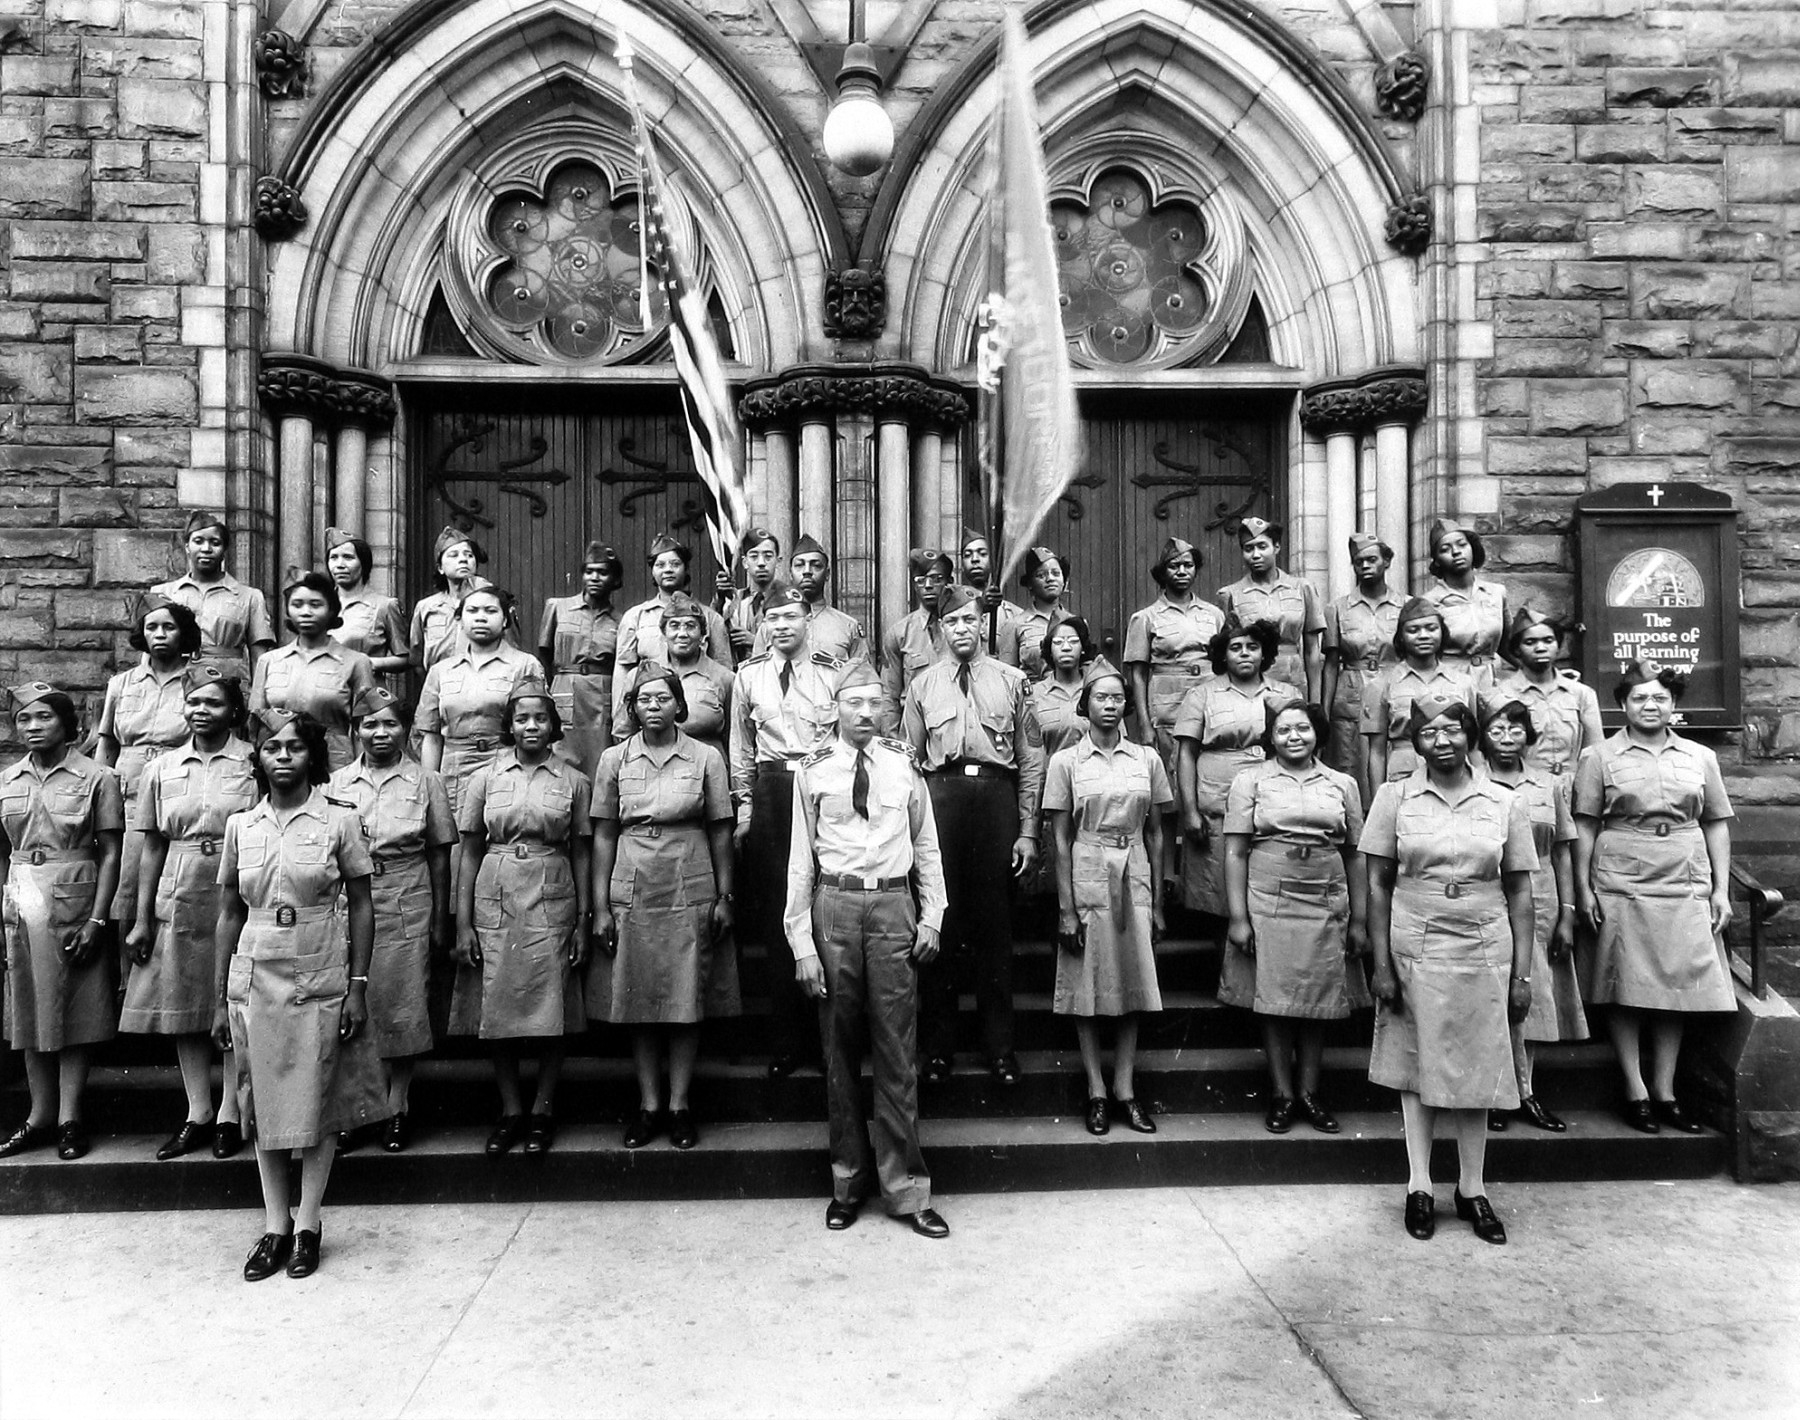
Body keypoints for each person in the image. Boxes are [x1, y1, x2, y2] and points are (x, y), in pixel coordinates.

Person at [211, 709, 388, 1281]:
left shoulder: (339, 821)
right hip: (258, 970)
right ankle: (274, 1224)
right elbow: (228, 913)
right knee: (261, 1101)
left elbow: (361, 904)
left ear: (313, 756)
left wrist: (357, 986)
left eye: (294, 747)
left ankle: (309, 1223)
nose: (282, 756)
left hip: (319, 968)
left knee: (319, 1098)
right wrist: (221, 997)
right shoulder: (243, 825)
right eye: (271, 748)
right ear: (258, 759)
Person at [1361, 696, 1536, 1246]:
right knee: (1416, 1064)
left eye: (1453, 730)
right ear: (1415, 743)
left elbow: (1522, 892)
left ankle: (1472, 1187)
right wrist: (1381, 964)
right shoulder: (1394, 798)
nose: (1442, 741)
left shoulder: (1504, 802)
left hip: (1484, 944)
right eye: (1429, 732)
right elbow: (1376, 885)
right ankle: (1418, 1185)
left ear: (1470, 737)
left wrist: (1522, 975)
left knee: (1478, 1068)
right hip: (1416, 942)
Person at [785, 659, 950, 1238]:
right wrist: (801, 942)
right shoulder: (813, 769)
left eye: (873, 703)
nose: (864, 713)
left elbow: (926, 844)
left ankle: (907, 1189)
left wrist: (932, 915)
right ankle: (847, 1183)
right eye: (853, 702)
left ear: (885, 707)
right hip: (835, 907)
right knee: (838, 1049)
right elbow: (800, 861)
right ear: (834, 707)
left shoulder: (904, 765)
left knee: (897, 1051)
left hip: (892, 908)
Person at [1573, 660, 1735, 1135]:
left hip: (1684, 872)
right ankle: (1635, 1088)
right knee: (1625, 981)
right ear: (1622, 705)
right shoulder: (1599, 757)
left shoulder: (1700, 757)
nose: (1650, 705)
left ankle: (1665, 1090)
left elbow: (1716, 823)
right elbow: (1584, 824)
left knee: (1675, 983)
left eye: (1660, 698)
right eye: (1639, 698)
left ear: (1674, 706)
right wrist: (1583, 888)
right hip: (1623, 873)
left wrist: (1721, 890)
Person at [589, 661, 737, 1151]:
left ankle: (680, 1105)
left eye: (662, 699)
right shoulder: (614, 759)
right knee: (640, 997)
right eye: (644, 700)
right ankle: (649, 1105)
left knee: (684, 996)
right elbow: (605, 833)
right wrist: (602, 905)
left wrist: (724, 894)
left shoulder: (706, 757)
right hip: (634, 878)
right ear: (631, 708)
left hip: (688, 873)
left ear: (680, 704)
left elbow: (720, 828)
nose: (653, 708)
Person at [902, 582, 1044, 1086]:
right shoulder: (922, 685)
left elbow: (1030, 760)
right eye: (951, 622)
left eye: (969, 620)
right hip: (941, 804)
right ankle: (938, 1050)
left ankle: (999, 1049)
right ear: (939, 629)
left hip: (994, 802)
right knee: (938, 924)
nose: (961, 629)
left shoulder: (1012, 681)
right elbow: (909, 764)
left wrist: (1027, 830)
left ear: (982, 624)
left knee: (994, 931)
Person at [121, 664, 256, 1160]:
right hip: (179, 885)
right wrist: (140, 919)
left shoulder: (252, 763)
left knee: (231, 996)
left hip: (236, 883)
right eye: (194, 702)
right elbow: (151, 846)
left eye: (213, 703)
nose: (202, 711)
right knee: (184, 1001)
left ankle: (229, 1111)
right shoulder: (161, 768)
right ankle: (197, 1110)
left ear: (234, 711)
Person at [455, 686, 592, 1156]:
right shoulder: (484, 778)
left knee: (551, 1002)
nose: (531, 726)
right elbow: (469, 850)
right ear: (508, 726)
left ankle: (544, 1108)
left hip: (552, 892)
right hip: (496, 890)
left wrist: (583, 920)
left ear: (553, 726)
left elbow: (582, 850)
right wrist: (463, 922)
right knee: (498, 1002)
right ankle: (511, 1109)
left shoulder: (573, 780)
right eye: (521, 719)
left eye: (539, 719)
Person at [1222, 702, 1369, 1134]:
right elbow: (1234, 850)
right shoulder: (1250, 780)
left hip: (1324, 897)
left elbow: (1355, 853)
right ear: (1271, 736)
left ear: (1317, 734)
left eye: (1302, 728)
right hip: (1270, 895)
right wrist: (1237, 916)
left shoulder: (1342, 783)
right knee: (1276, 998)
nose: (1293, 737)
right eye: (1283, 729)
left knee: (1317, 998)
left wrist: (1359, 920)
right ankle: (1282, 1094)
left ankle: (1309, 1092)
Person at [1045, 658, 1171, 1136]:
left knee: (1133, 985)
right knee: (1086, 987)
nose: (1112, 705)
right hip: (1088, 875)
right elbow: (1059, 839)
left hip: (1133, 873)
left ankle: (1125, 1089)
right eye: (1102, 697)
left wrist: (1158, 902)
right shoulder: (1066, 763)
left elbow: (1157, 833)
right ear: (1085, 704)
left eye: (1119, 697)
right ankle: (1096, 1090)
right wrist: (1066, 910)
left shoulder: (1147, 760)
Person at [327, 687, 455, 1152]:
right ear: (355, 730)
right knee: (354, 1004)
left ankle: (397, 1105)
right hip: (350, 899)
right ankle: (360, 1109)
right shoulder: (337, 784)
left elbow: (440, 857)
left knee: (402, 1002)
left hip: (407, 893)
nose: (380, 734)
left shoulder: (427, 782)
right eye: (369, 725)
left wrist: (441, 918)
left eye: (390, 724)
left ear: (407, 730)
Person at [0, 683, 124, 1162]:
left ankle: (71, 1117)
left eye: (43, 718)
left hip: (75, 897)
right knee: (29, 1010)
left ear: (68, 724)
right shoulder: (8, 779)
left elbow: (111, 852)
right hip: (23, 899)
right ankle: (38, 1117)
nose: (32, 727)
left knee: (75, 1010)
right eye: (23, 720)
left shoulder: (98, 777)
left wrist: (98, 918)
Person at [730, 577, 840, 1076]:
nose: (780, 626)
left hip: (820, 786)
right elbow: (741, 749)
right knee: (780, 916)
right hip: (773, 790)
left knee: (822, 910)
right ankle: (786, 1042)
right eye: (772, 619)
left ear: (807, 621)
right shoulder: (748, 676)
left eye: (789, 617)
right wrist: (746, 806)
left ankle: (828, 1042)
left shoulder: (832, 674)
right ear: (763, 624)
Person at [1478, 692, 1585, 1134]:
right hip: (1487, 899)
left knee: (1531, 1001)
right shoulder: (1472, 782)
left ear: (1529, 737)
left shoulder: (1547, 785)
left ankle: (1525, 1091)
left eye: (1516, 730)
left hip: (1537, 901)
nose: (1507, 738)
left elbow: (1561, 852)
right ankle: (1499, 1092)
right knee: (1492, 997)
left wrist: (1567, 912)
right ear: (1482, 737)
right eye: (1497, 729)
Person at [1173, 618, 1301, 917]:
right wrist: (1190, 812)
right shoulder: (1202, 695)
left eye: (1252, 647)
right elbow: (1186, 754)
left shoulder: (1286, 695)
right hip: (1217, 801)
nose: (1244, 653)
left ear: (1264, 653)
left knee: (1267, 883)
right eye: (1236, 648)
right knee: (1218, 891)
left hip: (1270, 799)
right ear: (1223, 655)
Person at [95, 595, 200, 929]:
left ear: (182, 633)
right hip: (129, 790)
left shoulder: (199, 682)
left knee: (174, 877)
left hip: (180, 785)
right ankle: (127, 974)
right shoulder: (121, 684)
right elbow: (107, 744)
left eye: (168, 627)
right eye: (151, 627)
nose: (160, 634)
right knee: (127, 879)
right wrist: (101, 797)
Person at [417, 585, 544, 822]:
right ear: (460, 621)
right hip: (454, 770)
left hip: (506, 763)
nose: (481, 617)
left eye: (490, 611)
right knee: (456, 845)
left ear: (506, 620)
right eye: (473, 611)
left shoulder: (525, 665)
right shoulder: (441, 671)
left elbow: (538, 727)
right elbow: (431, 736)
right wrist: (430, 786)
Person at [250, 571, 377, 772]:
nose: (306, 612)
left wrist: (360, 775)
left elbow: (366, 727)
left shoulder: (356, 662)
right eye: (297, 605)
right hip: (282, 762)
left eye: (315, 605)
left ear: (332, 610)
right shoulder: (269, 661)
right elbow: (257, 725)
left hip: (335, 764)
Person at [1123, 536, 1226, 781]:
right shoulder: (1146, 618)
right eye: (1173, 566)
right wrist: (1145, 725)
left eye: (1188, 565)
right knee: (1171, 774)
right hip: (1168, 706)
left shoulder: (1214, 614)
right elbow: (1137, 675)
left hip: (1207, 700)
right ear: (1163, 572)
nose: (1181, 571)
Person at [1362, 597, 1479, 795]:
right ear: (1400, 637)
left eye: (1431, 628)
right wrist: (1378, 801)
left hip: (1455, 772)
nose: (1423, 636)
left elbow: (1474, 746)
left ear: (1443, 633)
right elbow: (1377, 752)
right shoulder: (1381, 685)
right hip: (1404, 772)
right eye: (1413, 630)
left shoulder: (1463, 683)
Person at [614, 533, 734, 725]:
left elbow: (724, 673)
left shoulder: (710, 618)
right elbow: (623, 672)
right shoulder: (635, 617)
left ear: (686, 568)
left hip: (699, 711)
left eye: (675, 564)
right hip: (652, 712)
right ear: (652, 571)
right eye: (660, 565)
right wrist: (620, 721)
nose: (668, 570)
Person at [151, 509, 275, 684]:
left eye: (215, 542)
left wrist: (257, 706)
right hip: (176, 682)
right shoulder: (164, 594)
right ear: (187, 546)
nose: (206, 549)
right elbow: (150, 651)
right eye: (198, 541)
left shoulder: (250, 597)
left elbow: (260, 659)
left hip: (228, 685)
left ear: (224, 549)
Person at [1320, 533, 1403, 788]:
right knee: (1350, 759)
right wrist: (1324, 711)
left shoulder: (1406, 606)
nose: (1365, 566)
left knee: (1391, 755)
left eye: (1371, 560)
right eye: (1358, 562)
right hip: (1351, 691)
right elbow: (1331, 663)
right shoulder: (1338, 608)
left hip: (1393, 684)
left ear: (1386, 562)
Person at [536, 540, 623, 778]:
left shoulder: (620, 620)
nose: (595, 577)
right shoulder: (557, 607)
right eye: (589, 571)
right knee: (561, 755)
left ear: (614, 580)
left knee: (599, 760)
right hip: (565, 689)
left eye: (602, 572)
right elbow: (544, 654)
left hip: (601, 695)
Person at [1217, 518, 1325, 703]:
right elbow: (1225, 653)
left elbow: (1312, 650)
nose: (1255, 555)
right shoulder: (1230, 594)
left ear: (1276, 547)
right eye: (1248, 549)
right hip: (1249, 682)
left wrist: (1315, 703)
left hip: (1293, 679)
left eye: (1262, 546)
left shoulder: (1302, 588)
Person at [1491, 606, 1604, 777]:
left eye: (1548, 640)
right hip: (1523, 785)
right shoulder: (1502, 695)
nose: (1541, 648)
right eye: (1530, 642)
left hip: (1573, 784)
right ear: (1516, 650)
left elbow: (1594, 749)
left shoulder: (1581, 694)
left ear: (1558, 646)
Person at [632, 592, 733, 761]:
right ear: (663, 633)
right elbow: (625, 731)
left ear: (703, 635)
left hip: (706, 767)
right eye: (674, 626)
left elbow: (734, 737)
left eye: (690, 626)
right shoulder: (640, 675)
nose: (682, 633)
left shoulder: (724, 678)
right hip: (652, 764)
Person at [759, 533, 867, 664]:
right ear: (790, 573)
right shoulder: (770, 626)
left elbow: (863, 678)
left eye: (816, 565)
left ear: (827, 574)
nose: (807, 571)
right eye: (800, 565)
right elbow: (756, 677)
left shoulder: (848, 627)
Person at [323, 527, 410, 688]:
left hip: (366, 695)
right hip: (324, 695)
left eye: (348, 557)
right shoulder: (321, 606)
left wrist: (369, 662)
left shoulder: (384, 606)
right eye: (333, 557)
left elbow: (405, 658)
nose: (340, 564)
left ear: (363, 563)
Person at [1422, 519, 1507, 682]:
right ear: (1437, 560)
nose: (1456, 552)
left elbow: (1508, 647)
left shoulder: (1496, 593)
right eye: (1445, 549)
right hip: (1449, 683)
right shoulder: (1429, 602)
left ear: (1473, 549)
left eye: (1462, 545)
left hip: (1491, 682)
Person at [880, 548, 954, 729]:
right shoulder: (900, 633)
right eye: (921, 580)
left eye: (937, 579)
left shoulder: (962, 629)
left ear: (949, 582)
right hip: (915, 729)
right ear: (914, 586)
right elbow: (889, 695)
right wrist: (894, 741)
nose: (928, 586)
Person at [410, 525, 497, 674]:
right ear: (440, 568)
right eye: (454, 555)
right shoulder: (426, 607)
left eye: (469, 555)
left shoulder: (493, 602)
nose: (463, 559)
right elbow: (416, 659)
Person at [999, 546, 1072, 682]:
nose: (1050, 579)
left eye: (1056, 573)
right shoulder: (1014, 625)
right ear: (1030, 584)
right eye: (1041, 575)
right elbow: (1006, 678)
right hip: (1032, 699)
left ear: (1064, 582)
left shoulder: (1075, 623)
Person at [716, 526, 782, 660]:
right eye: (754, 556)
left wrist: (755, 641)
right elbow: (712, 632)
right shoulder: (734, 601)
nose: (761, 563)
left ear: (778, 561)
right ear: (745, 562)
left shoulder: (786, 602)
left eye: (768, 556)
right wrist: (720, 598)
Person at [957, 527, 1022, 655]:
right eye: (968, 555)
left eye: (982, 553)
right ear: (962, 564)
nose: (975, 559)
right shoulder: (953, 610)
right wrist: (980, 605)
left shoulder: (1014, 614)